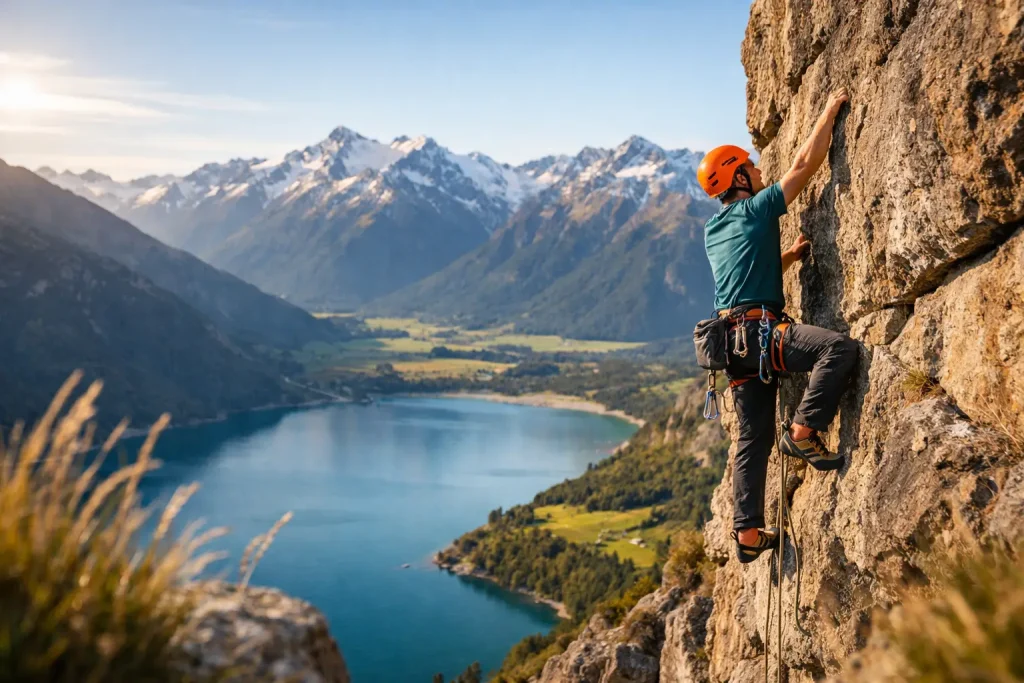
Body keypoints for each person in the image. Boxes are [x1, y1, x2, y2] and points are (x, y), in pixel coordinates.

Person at [696, 88, 859, 564]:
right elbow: (804, 166)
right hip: (764, 339)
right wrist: (829, 109)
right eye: (751, 166)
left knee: (753, 440)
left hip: (733, 346)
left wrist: (784, 258)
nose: (761, 170)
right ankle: (805, 431)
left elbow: (739, 277)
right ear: (738, 177)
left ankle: (746, 533)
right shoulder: (754, 209)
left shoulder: (713, 230)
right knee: (839, 350)